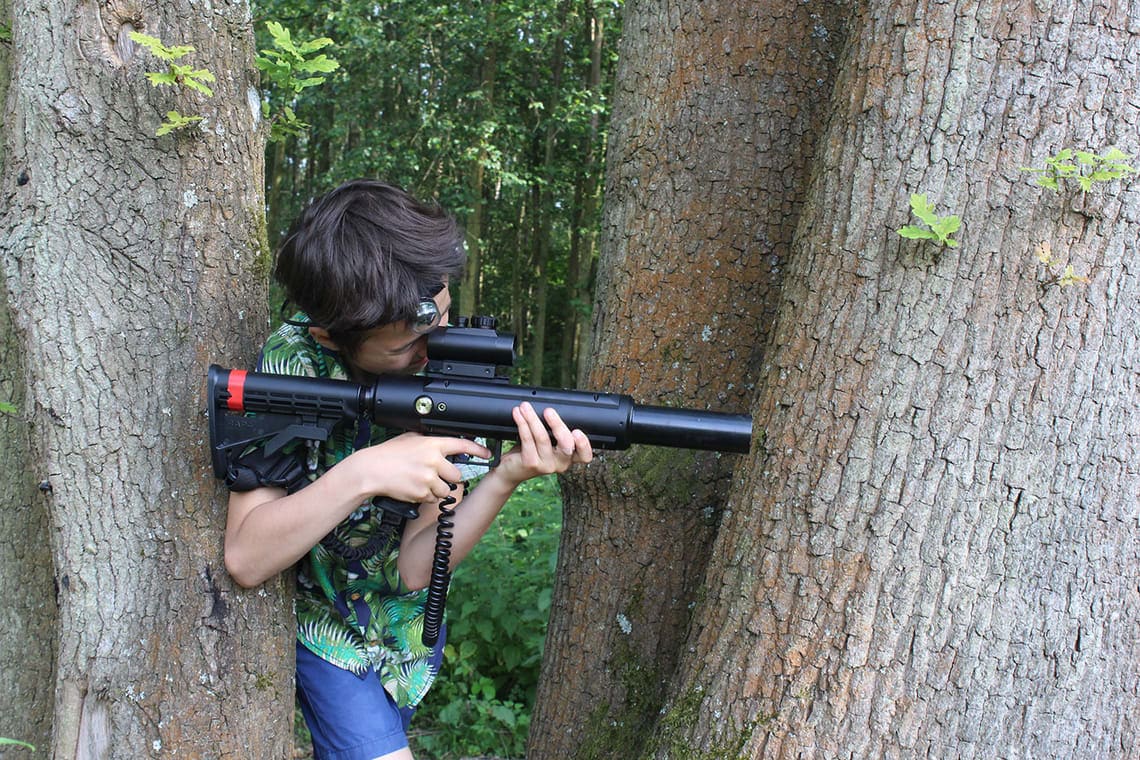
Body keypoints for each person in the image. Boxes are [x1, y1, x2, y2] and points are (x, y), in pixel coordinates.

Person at [222, 179, 593, 760]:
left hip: (407, 639)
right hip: (329, 633)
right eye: (408, 346)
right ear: (330, 336)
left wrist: (506, 476)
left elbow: (418, 567)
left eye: (441, 323)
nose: (433, 350)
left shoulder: (448, 368)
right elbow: (246, 558)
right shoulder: (293, 365)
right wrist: (367, 471)